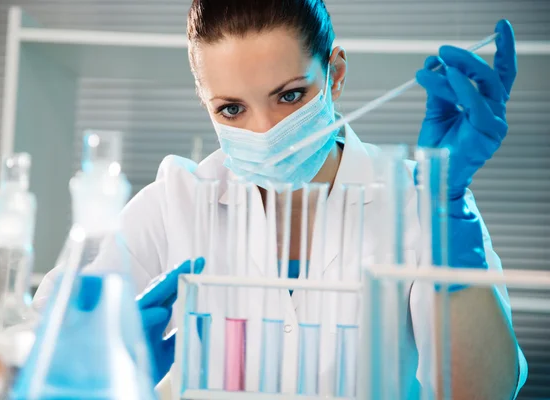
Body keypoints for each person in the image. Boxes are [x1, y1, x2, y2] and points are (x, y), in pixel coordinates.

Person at [32, 0, 526, 398]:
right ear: (206, 103)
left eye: (289, 95)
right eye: (231, 108)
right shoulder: (174, 202)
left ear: (334, 74)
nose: (266, 131)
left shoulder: (424, 201)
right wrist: (99, 358)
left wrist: (445, 206)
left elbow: (483, 391)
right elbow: (35, 354)